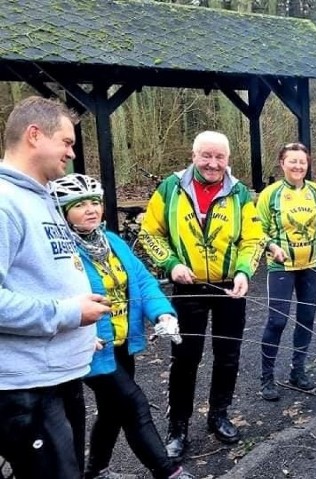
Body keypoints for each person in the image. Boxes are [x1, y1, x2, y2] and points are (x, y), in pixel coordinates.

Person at [50, 174, 194, 479]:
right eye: (79, 205)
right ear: (62, 211)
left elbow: (142, 281)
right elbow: (52, 300)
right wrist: (75, 331)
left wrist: (163, 315)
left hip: (122, 343)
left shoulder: (112, 241)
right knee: (134, 405)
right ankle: (169, 472)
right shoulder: (61, 253)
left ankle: (95, 471)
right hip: (90, 349)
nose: (91, 209)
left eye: (94, 202)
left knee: (112, 411)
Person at [0, 96, 111, 478]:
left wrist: (80, 328)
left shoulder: (41, 198)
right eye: (65, 141)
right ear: (34, 135)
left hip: (57, 378)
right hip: (25, 390)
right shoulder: (4, 201)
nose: (71, 151)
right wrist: (68, 314)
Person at [139, 131, 265, 458]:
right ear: (194, 155)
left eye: (219, 157)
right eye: (206, 156)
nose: (212, 163)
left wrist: (243, 271)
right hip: (187, 287)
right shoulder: (171, 187)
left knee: (228, 356)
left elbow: (253, 239)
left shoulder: (239, 193)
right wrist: (170, 264)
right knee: (185, 359)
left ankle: (218, 416)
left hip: (229, 289)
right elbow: (150, 233)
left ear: (228, 159)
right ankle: (177, 427)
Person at [256, 143, 316, 400]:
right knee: (278, 320)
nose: (298, 166)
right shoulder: (270, 194)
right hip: (281, 266)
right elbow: (257, 229)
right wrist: (272, 246)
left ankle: (298, 371)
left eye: (302, 162)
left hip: (311, 266)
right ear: (282, 163)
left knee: (306, 318)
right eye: (292, 161)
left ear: (308, 165)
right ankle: (267, 378)